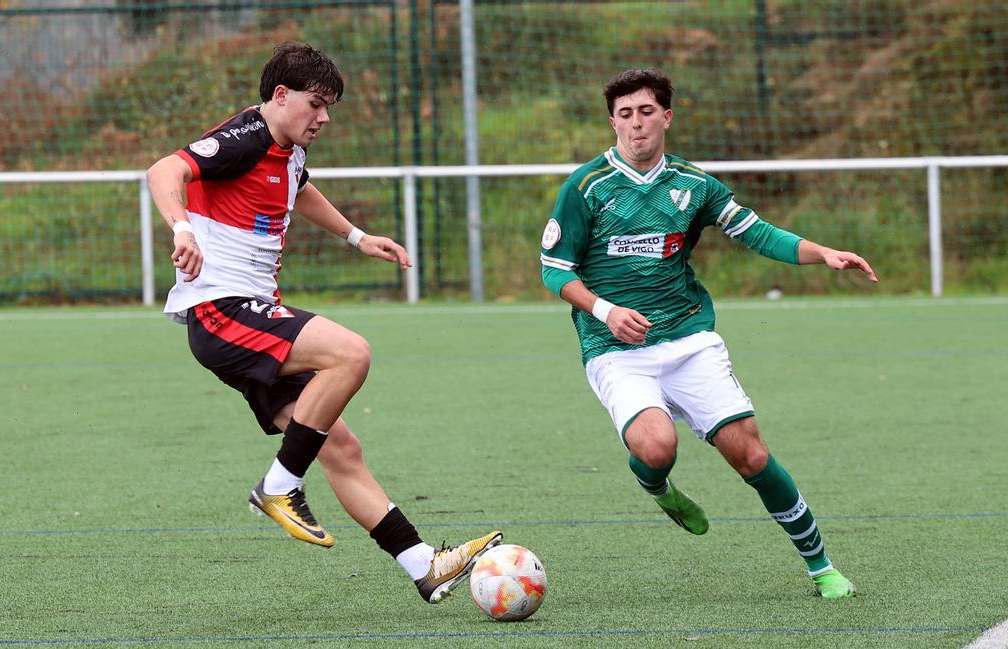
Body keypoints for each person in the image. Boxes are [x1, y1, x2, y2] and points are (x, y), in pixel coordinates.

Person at [146, 42, 500, 604]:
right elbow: (164, 169)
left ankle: (423, 566)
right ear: (280, 96)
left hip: (246, 312)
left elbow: (300, 189)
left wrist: (357, 238)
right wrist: (181, 230)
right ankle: (279, 487)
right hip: (223, 310)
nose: (324, 117)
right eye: (316, 104)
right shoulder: (246, 136)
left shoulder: (287, 148)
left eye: (329, 106)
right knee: (350, 353)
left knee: (341, 449)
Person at [540, 69, 877, 599]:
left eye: (646, 112)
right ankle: (658, 486)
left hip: (688, 336)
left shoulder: (694, 185)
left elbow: (758, 232)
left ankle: (821, 567)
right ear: (612, 122)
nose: (636, 125)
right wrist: (605, 311)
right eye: (625, 115)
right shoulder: (585, 188)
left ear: (666, 116)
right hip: (614, 347)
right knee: (656, 447)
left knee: (751, 455)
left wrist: (823, 253)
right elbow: (554, 269)